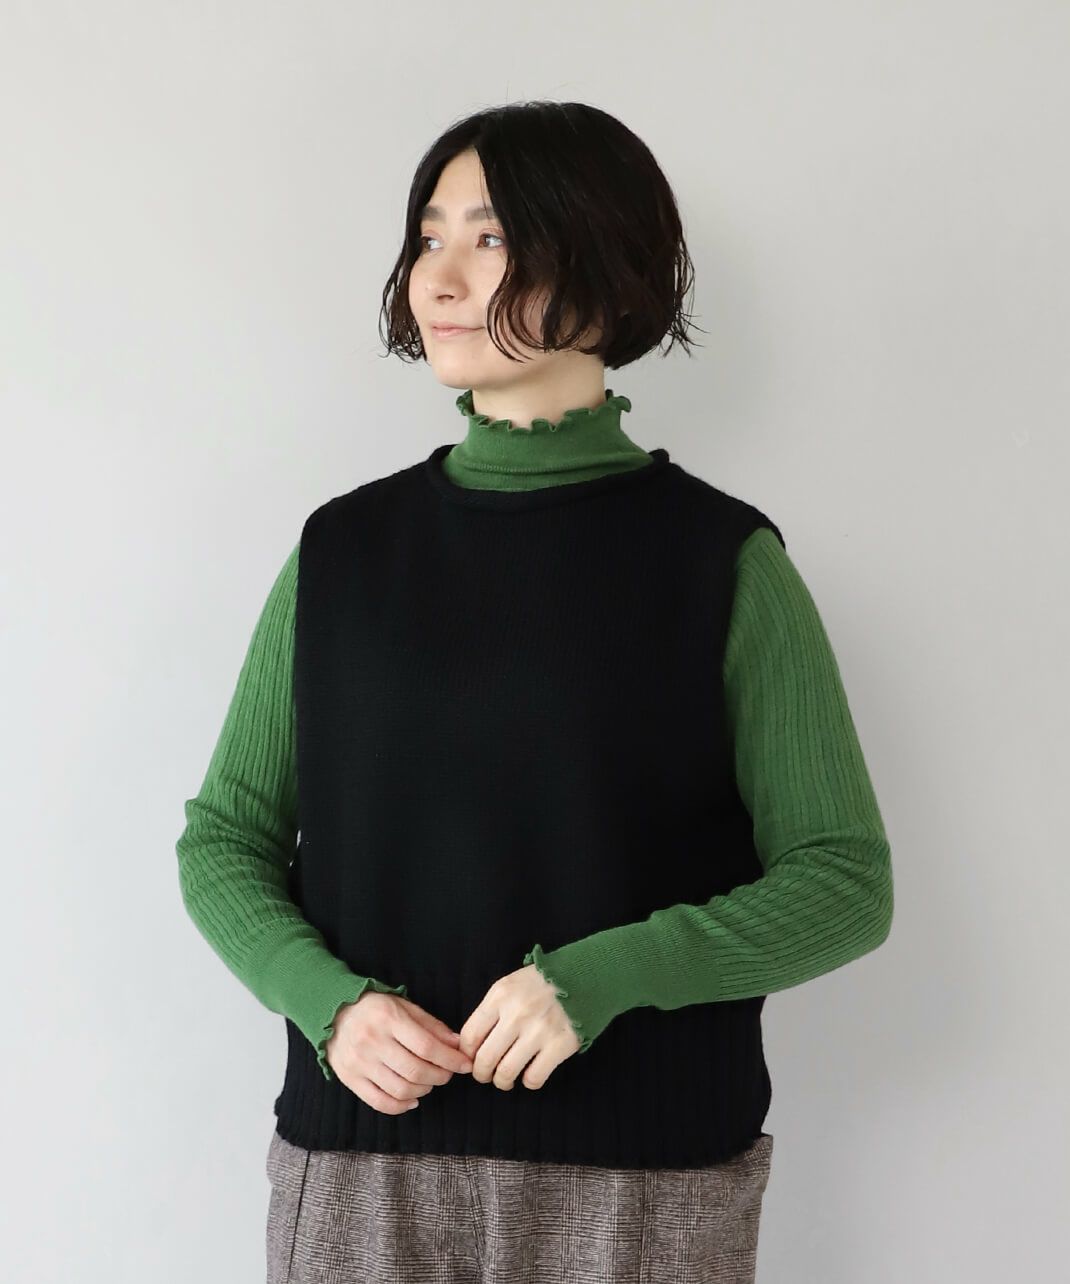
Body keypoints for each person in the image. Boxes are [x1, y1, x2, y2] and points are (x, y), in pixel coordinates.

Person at [176, 100, 893, 1284]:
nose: (440, 276)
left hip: (642, 1186)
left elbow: (842, 882)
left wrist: (604, 979)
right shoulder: (341, 554)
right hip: (360, 1169)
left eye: (493, 238)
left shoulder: (721, 563)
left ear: (605, 268)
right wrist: (328, 1005)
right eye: (427, 237)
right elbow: (224, 840)